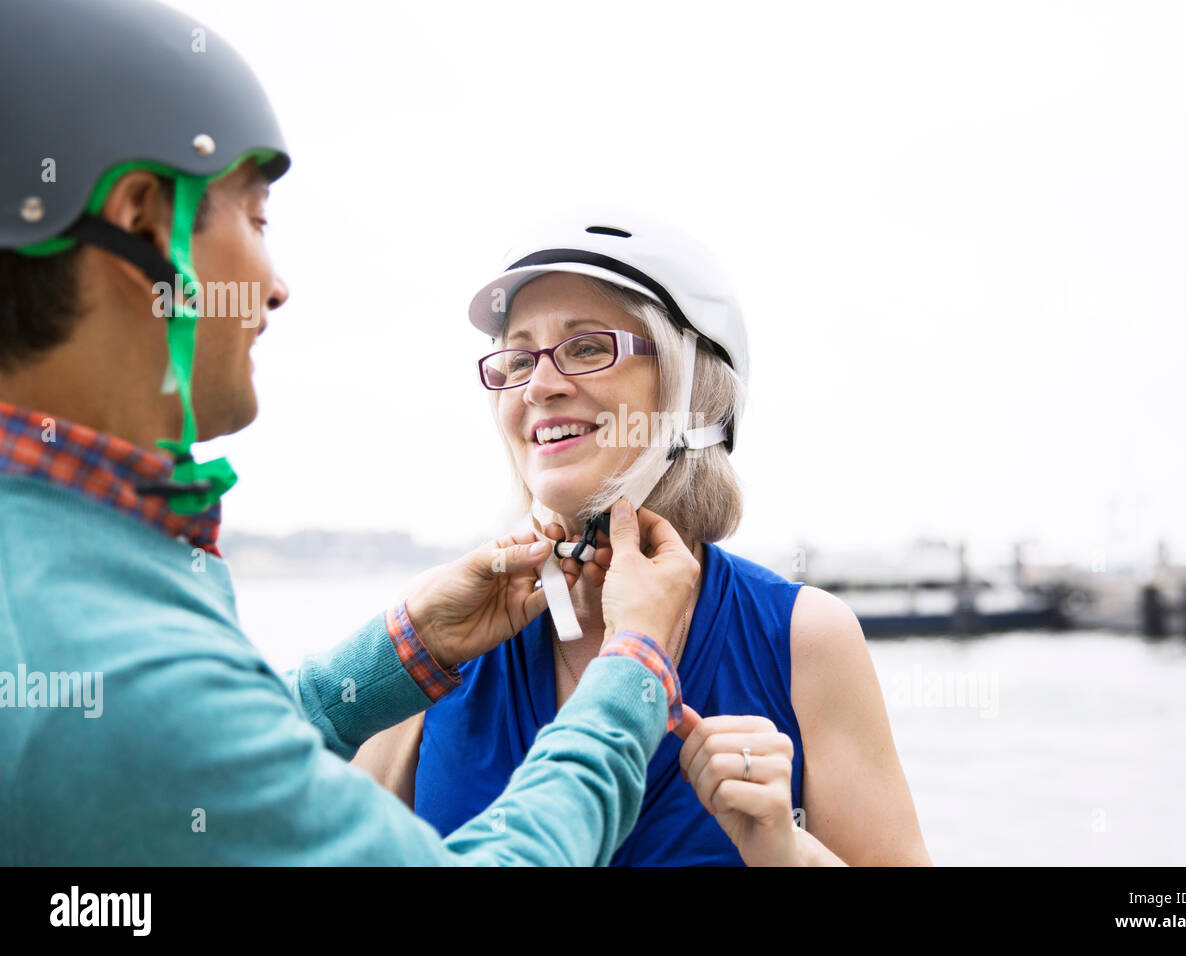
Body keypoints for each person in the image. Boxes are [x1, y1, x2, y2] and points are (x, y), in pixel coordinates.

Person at [0, 0, 703, 865]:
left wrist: (409, 647)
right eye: (256, 221)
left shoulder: (60, 582)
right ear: (146, 218)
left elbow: (197, 780)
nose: (277, 284)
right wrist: (631, 670)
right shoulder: (111, 650)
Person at [353, 211, 933, 865]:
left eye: (587, 348)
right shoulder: (433, 645)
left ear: (694, 392)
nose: (539, 386)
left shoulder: (805, 638)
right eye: (516, 358)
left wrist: (790, 854)